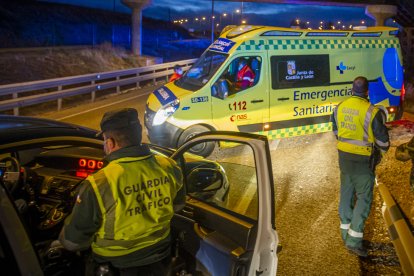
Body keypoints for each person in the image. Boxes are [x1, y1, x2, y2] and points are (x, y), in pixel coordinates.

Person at [59, 108, 184, 275]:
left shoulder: (99, 183)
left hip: (115, 265)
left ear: (110, 143)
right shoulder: (169, 166)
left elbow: (73, 242)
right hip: (160, 258)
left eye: (104, 140)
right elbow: (178, 205)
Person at [331, 76, 390, 257]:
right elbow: (383, 142)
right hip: (363, 162)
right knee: (363, 199)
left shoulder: (339, 108)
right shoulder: (371, 112)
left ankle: (344, 233)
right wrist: (381, 149)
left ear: (351, 89)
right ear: (367, 92)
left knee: (346, 194)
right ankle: (354, 241)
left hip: (344, 159)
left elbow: (336, 131)